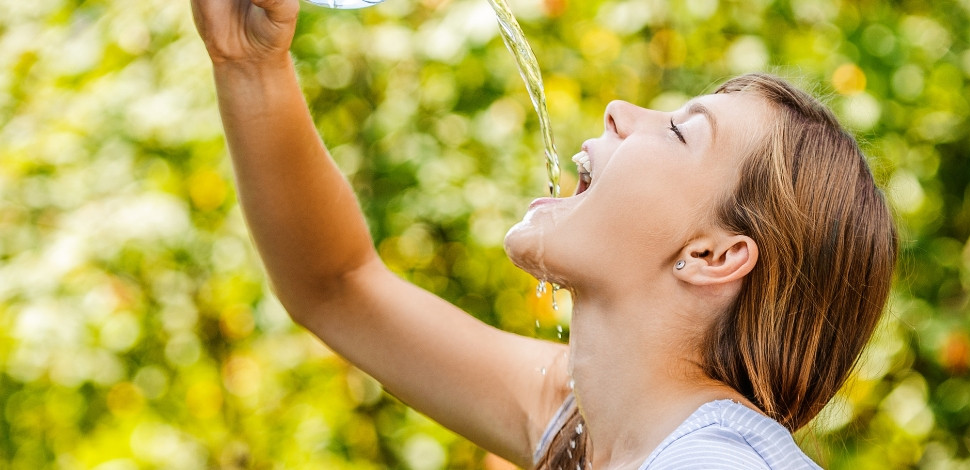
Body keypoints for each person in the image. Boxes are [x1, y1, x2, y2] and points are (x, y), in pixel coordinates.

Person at [190, 0, 898, 468]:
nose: (621, 110)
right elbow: (335, 287)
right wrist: (249, 63)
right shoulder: (590, 427)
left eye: (682, 130)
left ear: (711, 255)